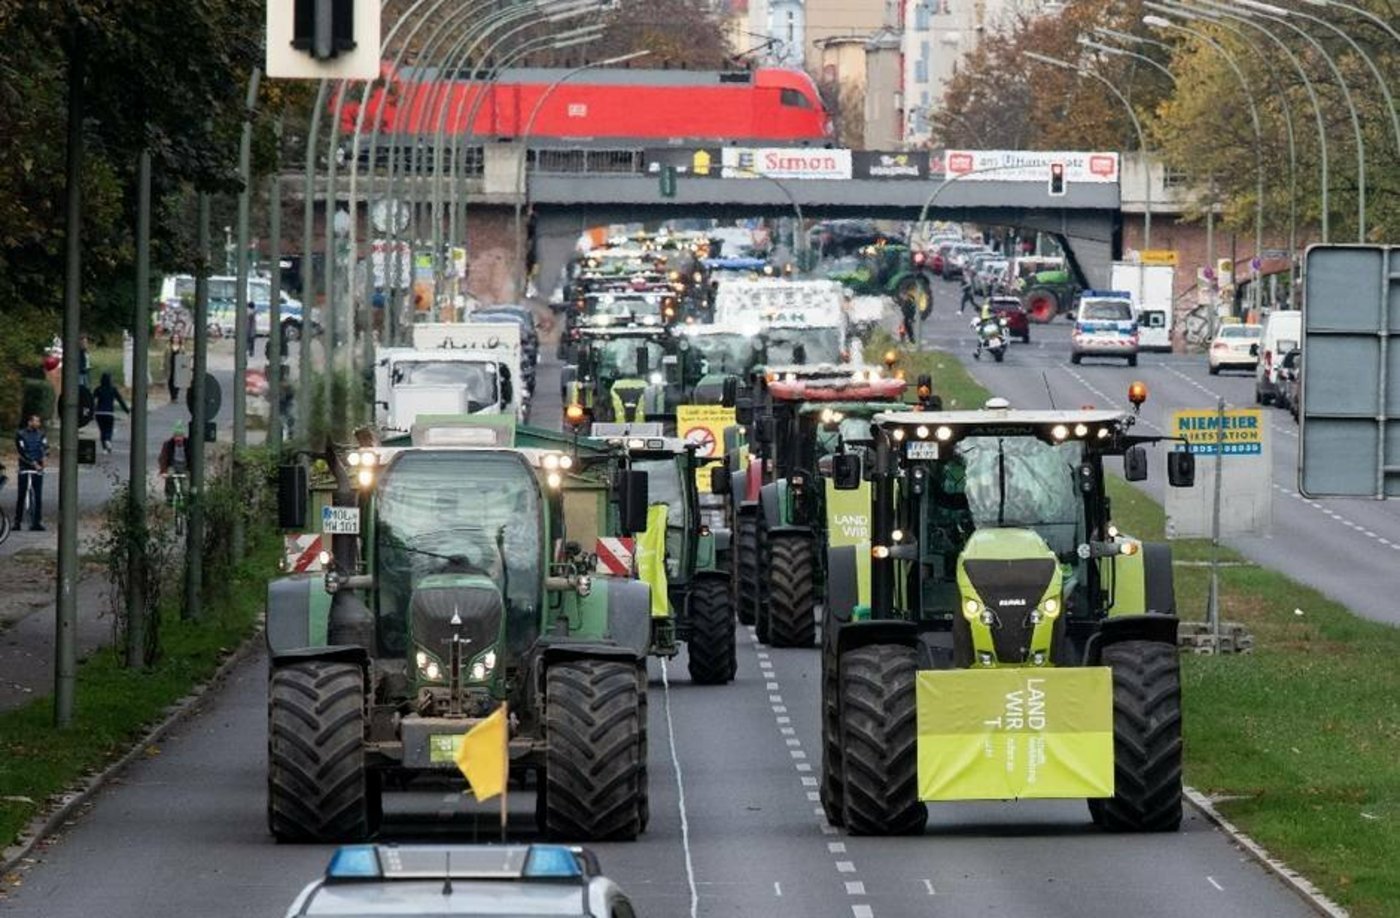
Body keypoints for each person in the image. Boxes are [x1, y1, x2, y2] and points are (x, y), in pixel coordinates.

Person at [14, 414, 48, 531]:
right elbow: (22, 452)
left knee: (38, 496)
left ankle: (37, 522)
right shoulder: (20, 435)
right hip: (25, 468)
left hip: (38, 469)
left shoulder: (41, 434)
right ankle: (17, 521)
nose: (38, 423)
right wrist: (34, 463)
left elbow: (44, 447)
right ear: (29, 422)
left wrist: (44, 458)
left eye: (39, 421)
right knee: (21, 495)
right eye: (36, 421)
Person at [93, 372, 130, 454]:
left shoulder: (98, 389)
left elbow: (93, 401)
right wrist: (127, 410)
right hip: (109, 412)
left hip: (99, 413)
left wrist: (92, 411)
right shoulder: (113, 389)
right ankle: (108, 440)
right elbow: (120, 400)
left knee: (102, 430)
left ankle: (104, 449)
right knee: (109, 429)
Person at [166, 335, 190, 403]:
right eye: (174, 338)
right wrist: (163, 366)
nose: (175, 339)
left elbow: (184, 358)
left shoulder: (182, 348)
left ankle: (175, 396)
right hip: (170, 366)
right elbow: (165, 357)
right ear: (172, 339)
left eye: (177, 338)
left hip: (178, 366)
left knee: (177, 381)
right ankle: (172, 396)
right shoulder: (168, 347)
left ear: (179, 339)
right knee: (170, 381)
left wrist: (185, 367)